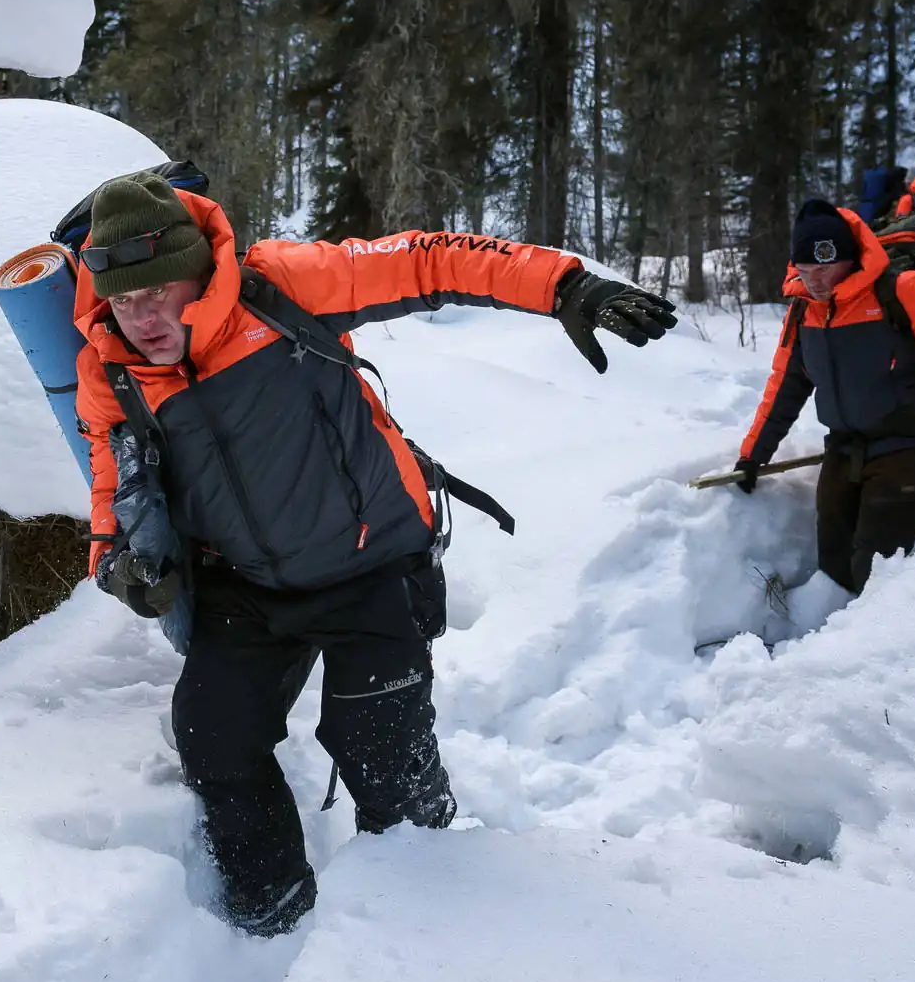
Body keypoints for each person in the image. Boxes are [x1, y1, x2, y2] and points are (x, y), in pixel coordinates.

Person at [71, 172, 678, 937]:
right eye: (123, 299)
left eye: (158, 291)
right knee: (214, 739)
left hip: (368, 567)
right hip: (246, 587)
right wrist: (110, 549)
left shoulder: (279, 287)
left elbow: (429, 259)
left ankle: (429, 907)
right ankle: (272, 919)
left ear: (200, 267)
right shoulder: (110, 364)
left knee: (379, 752)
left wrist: (564, 286)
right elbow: (109, 458)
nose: (141, 316)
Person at [733, 199, 915, 593]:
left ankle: (878, 649)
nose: (815, 282)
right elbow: (784, 387)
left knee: (872, 570)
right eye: (805, 271)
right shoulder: (804, 310)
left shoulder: (904, 290)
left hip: (914, 444)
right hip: (845, 447)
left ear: (848, 256)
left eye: (823, 269)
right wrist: (753, 455)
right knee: (834, 567)